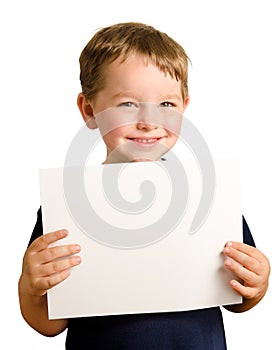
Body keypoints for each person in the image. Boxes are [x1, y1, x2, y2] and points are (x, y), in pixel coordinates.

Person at [18, 22, 270, 349]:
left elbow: (238, 299)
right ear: (89, 110)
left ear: (184, 108)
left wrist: (259, 283)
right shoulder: (67, 207)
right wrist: (30, 287)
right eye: (127, 104)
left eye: (166, 105)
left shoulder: (207, 197)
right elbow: (49, 324)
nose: (149, 121)